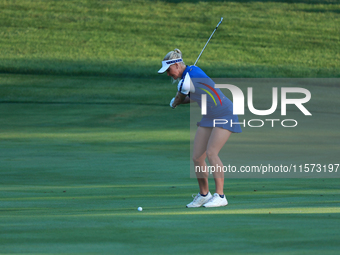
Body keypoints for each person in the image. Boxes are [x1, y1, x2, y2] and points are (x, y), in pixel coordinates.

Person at [158, 49, 242, 208]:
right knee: (197, 157)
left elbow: (180, 97)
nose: (168, 74)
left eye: (169, 71)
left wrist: (174, 102)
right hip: (210, 116)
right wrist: (177, 100)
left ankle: (221, 196)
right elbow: (193, 97)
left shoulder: (188, 78)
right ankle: (204, 195)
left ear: (176, 65)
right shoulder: (188, 77)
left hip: (224, 113)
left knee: (211, 152)